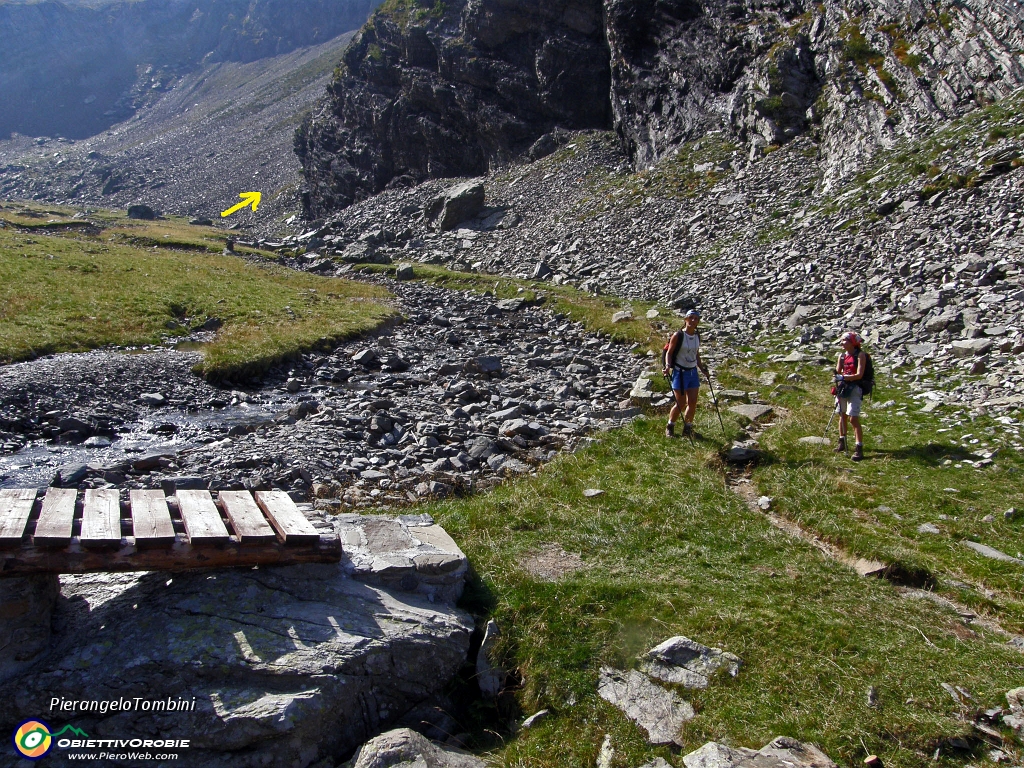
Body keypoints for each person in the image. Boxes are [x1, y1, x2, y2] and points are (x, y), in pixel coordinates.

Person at [663, 309, 708, 438]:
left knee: (693, 402)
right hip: (680, 372)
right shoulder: (678, 335)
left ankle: (687, 429)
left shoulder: (697, 336)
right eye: (691, 318)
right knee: (680, 403)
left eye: (696, 319)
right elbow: (669, 353)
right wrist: (667, 366)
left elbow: (696, 354)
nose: (693, 321)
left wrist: (702, 369)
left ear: (698, 322)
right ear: (686, 319)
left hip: (693, 371)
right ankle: (670, 425)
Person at [834, 331, 868, 461]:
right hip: (843, 388)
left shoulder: (860, 355)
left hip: (855, 388)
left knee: (853, 418)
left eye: (845, 341)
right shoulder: (841, 356)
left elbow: (859, 374)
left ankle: (859, 447)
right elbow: (837, 371)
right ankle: (842, 441)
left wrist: (843, 377)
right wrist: (837, 377)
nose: (842, 343)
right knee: (842, 415)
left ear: (853, 342)